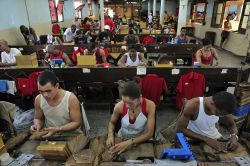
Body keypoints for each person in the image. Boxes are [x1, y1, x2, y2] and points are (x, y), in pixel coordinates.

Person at [106, 81, 156, 154]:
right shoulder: (119, 106)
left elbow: (149, 133)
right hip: (123, 137)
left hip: (141, 139)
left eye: (131, 103)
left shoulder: (150, 105)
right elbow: (112, 122)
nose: (127, 106)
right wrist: (110, 135)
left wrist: (130, 142)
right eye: (124, 102)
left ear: (140, 97)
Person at [31, 71, 82, 138]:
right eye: (41, 91)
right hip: (49, 135)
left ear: (57, 86)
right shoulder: (38, 99)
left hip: (71, 135)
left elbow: (76, 122)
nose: (45, 95)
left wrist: (58, 129)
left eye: (48, 91)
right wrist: (37, 124)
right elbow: (38, 118)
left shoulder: (70, 98)